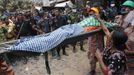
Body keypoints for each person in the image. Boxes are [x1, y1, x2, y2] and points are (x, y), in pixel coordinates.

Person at [86, 7, 104, 75]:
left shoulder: (100, 22)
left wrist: (99, 21)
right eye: (90, 14)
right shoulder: (88, 23)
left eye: (93, 14)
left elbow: (104, 30)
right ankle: (92, 71)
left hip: (98, 44)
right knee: (91, 59)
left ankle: (105, 70)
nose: (91, 16)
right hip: (91, 44)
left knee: (100, 59)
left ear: (97, 14)